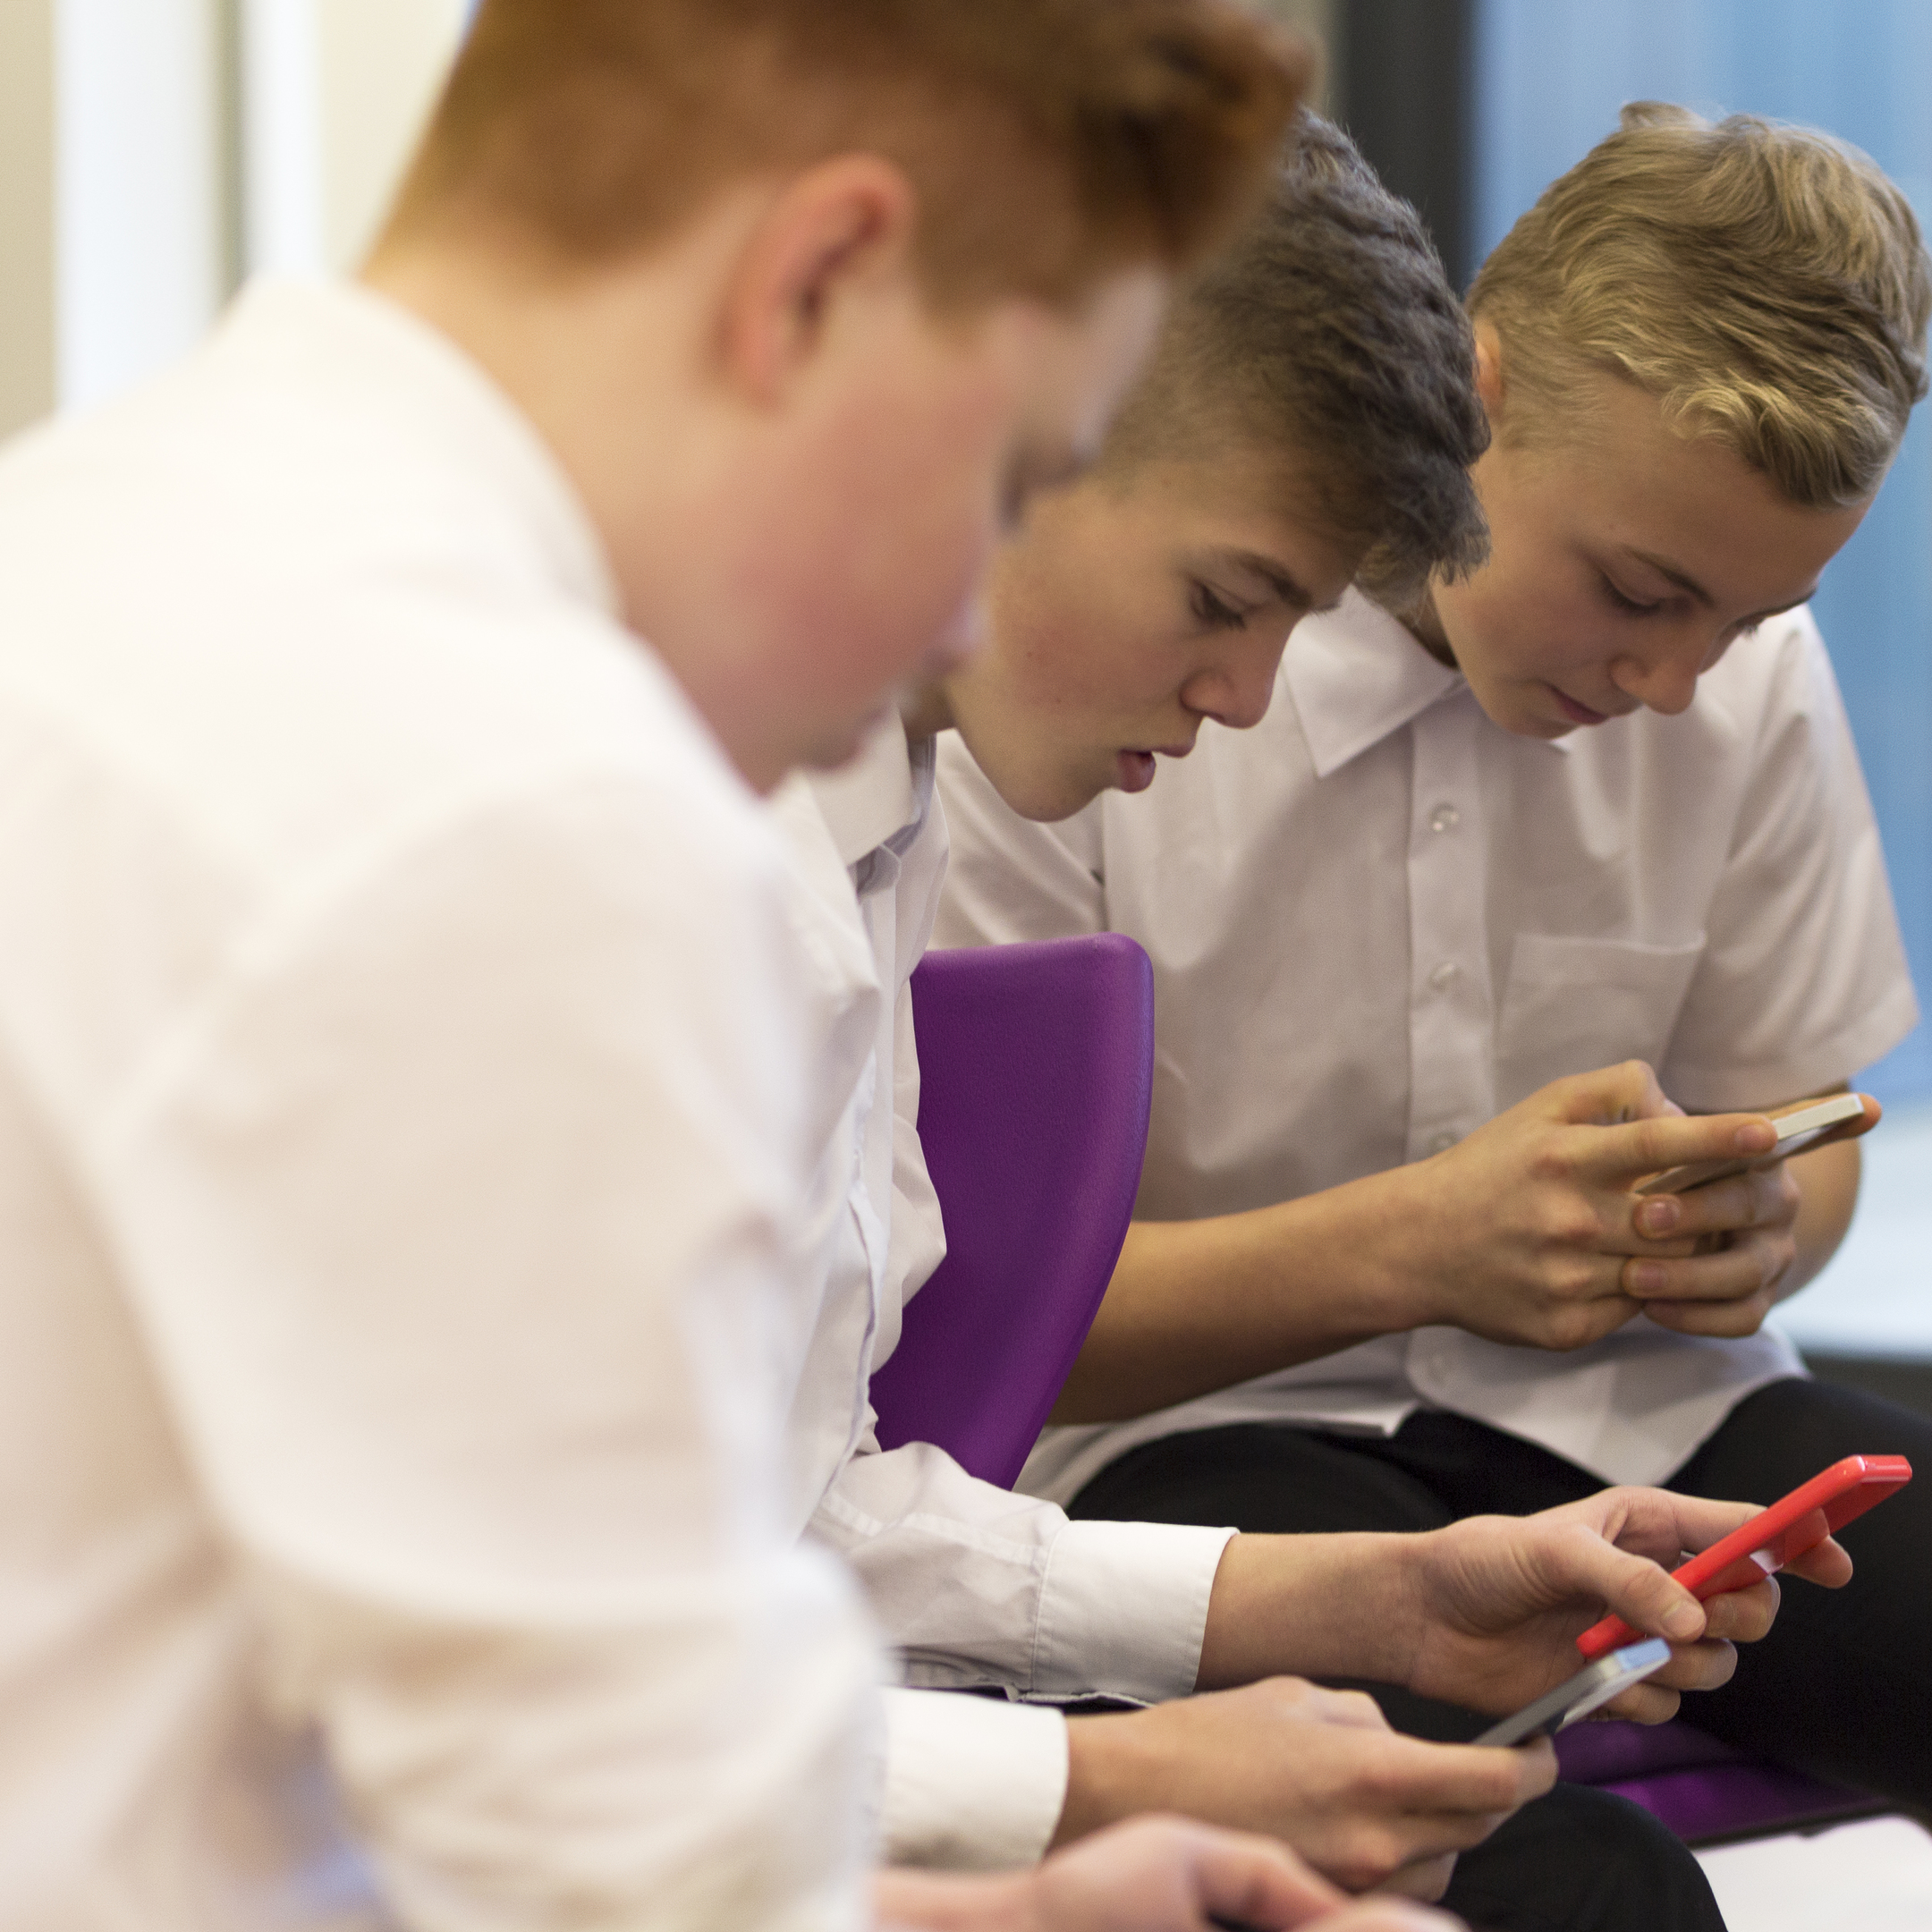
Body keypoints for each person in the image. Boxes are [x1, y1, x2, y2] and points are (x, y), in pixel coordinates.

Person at [0, 3, 1437, 1928]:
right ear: (819, 278)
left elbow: (383, 1729)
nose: (958, 602)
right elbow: (644, 1885)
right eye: (1008, 473)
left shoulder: (88, 536)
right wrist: (1064, 1810)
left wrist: (1011, 1897)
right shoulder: (532, 796)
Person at [938, 104, 1932, 1930]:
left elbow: (1816, 1133)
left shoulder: (1747, 682)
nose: (1669, 682)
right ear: (1474, 396)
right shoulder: (1129, 673)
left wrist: (1751, 1233)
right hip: (1186, 1452)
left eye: (1745, 617)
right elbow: (964, 1341)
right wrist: (1417, 1248)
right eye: (1639, 593)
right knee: (1564, 1884)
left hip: (1638, 1416)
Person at [776, 111, 1820, 1931]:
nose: (1251, 700)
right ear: (1002, 436)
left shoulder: (889, 814)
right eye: (1221, 600)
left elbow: (820, 1519)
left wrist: (1369, 1601)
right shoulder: (663, 862)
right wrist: (1092, 1791)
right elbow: (528, 1690)